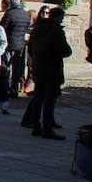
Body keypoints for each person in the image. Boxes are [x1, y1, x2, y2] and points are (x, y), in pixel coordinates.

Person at [21, 8, 71, 140]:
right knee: (49, 100)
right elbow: (66, 51)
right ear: (58, 17)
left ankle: (36, 126)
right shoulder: (56, 31)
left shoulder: (37, 29)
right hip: (52, 69)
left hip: (39, 67)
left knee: (38, 98)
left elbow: (30, 49)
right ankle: (47, 128)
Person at [2, 0, 31, 97]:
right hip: (20, 45)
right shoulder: (25, 14)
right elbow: (27, 29)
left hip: (9, 44)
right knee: (17, 69)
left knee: (6, 67)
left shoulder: (10, 14)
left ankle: (4, 88)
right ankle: (14, 88)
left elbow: (2, 27)